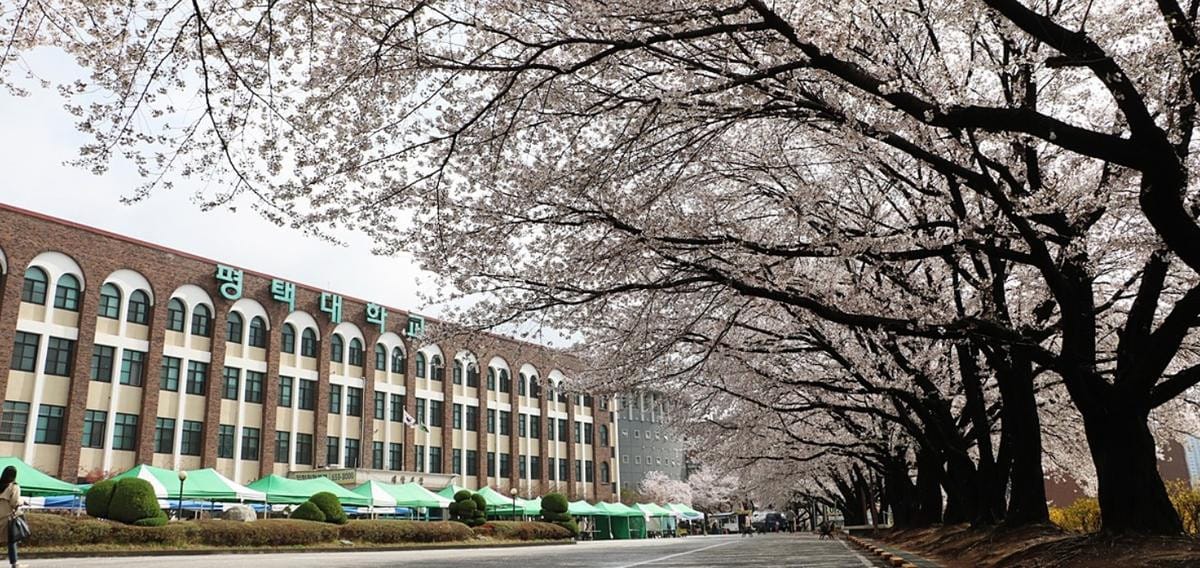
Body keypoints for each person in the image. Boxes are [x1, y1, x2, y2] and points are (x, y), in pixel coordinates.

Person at [0, 466, 22, 568]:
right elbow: (15, 502)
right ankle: (14, 564)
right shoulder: (14, 486)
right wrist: (21, 502)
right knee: (11, 540)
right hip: (6, 518)